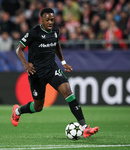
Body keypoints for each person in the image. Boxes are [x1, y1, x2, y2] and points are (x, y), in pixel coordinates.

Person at [11, 8, 99, 138]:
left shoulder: (56, 32)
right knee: (38, 107)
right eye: (47, 20)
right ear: (41, 20)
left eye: (52, 19)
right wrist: (25, 64)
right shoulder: (34, 32)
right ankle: (18, 111)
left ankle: (84, 128)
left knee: (68, 92)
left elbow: (56, 45)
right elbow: (19, 49)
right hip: (36, 74)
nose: (50, 22)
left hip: (52, 70)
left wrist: (63, 62)